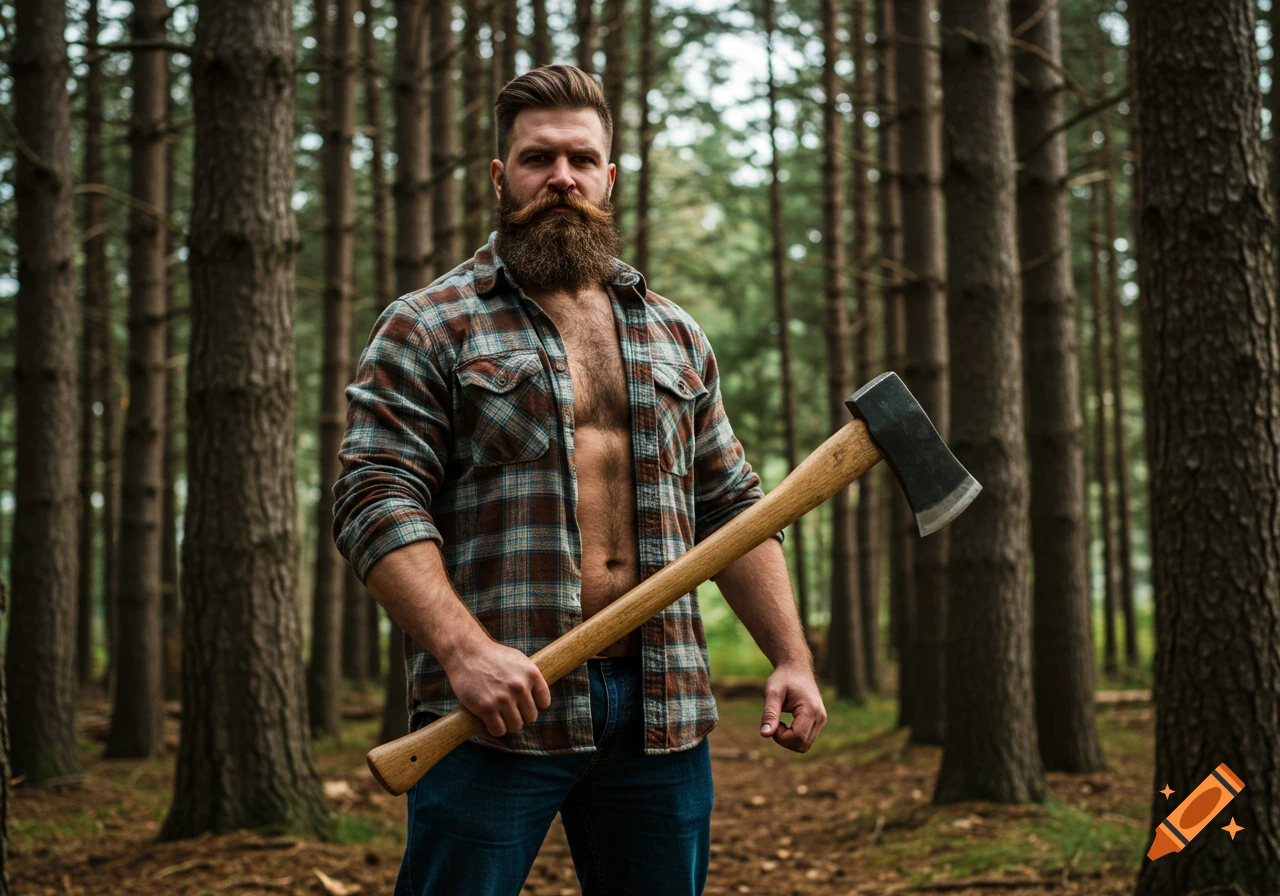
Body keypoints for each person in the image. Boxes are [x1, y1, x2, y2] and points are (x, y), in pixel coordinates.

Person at [333, 64, 826, 896]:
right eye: (537, 159)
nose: (560, 177)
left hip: (661, 706)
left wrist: (791, 656)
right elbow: (375, 498)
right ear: (502, 176)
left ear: (608, 176)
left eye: (580, 159)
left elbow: (733, 506)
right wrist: (464, 653)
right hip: (495, 707)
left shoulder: (674, 333)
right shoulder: (430, 323)